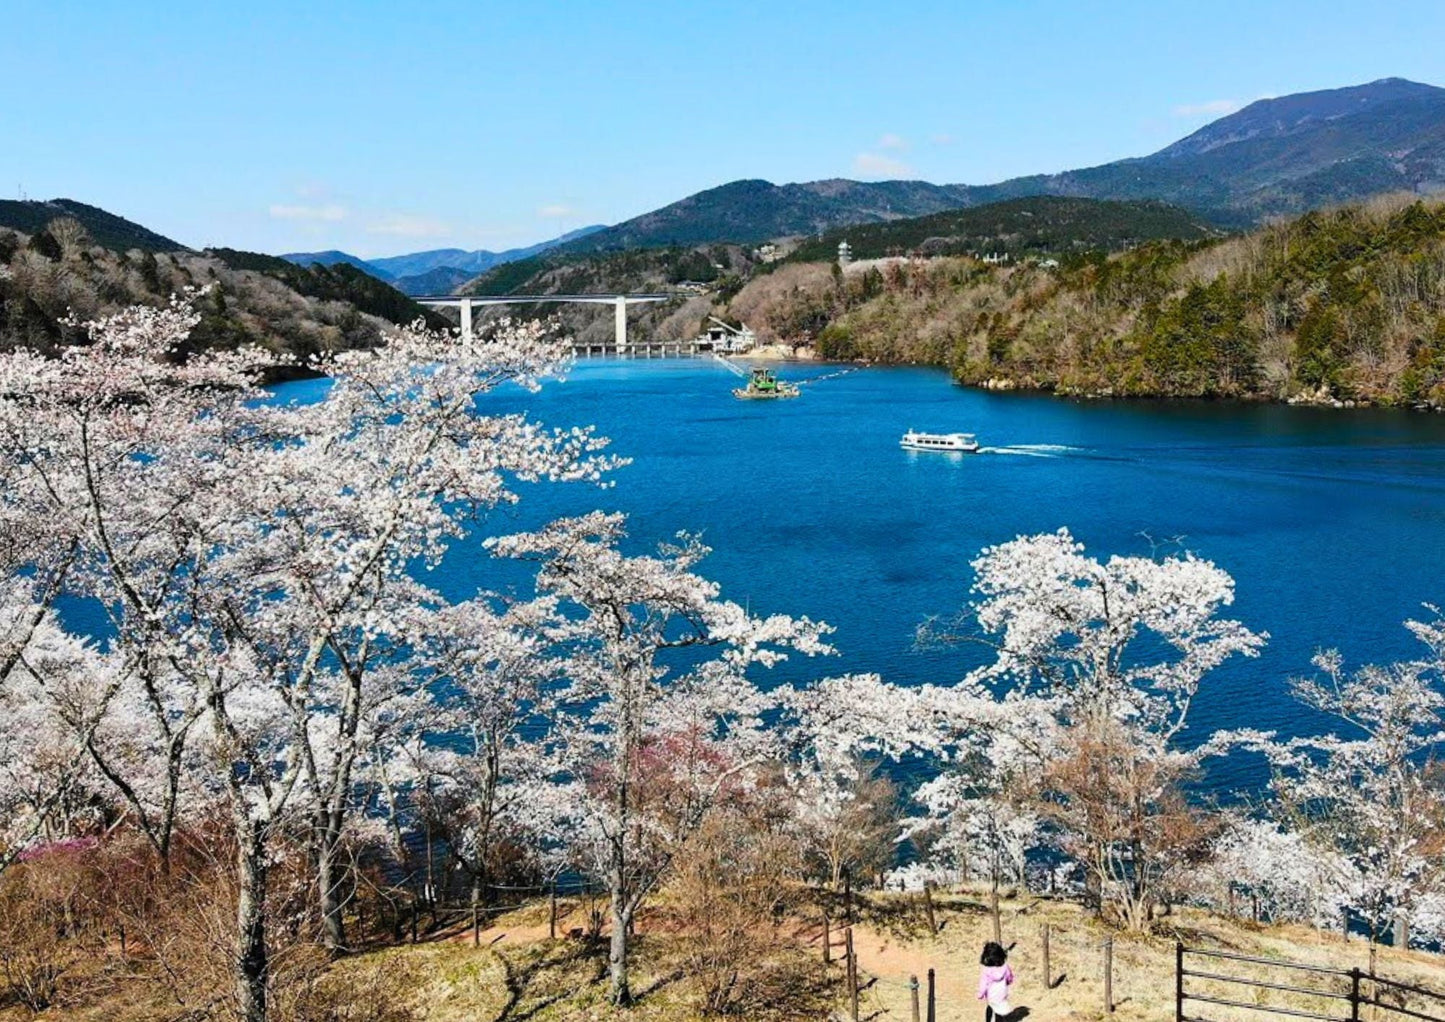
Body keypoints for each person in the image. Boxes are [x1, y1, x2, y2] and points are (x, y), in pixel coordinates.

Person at [978, 941, 1015, 1021]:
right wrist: (1008, 982)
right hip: (1002, 994)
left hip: (991, 996)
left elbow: (983, 984)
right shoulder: (1005, 968)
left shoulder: (986, 971)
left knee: (990, 1007)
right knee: (999, 1010)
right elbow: (1010, 977)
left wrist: (980, 994)